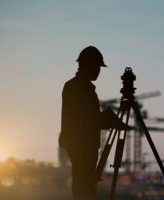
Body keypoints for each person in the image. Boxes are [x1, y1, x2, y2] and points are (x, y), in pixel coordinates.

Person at [59, 46, 130, 200]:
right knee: (84, 187)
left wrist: (106, 118)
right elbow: (85, 121)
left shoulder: (80, 87)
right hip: (81, 146)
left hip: (84, 145)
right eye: (97, 67)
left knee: (86, 184)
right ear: (87, 65)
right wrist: (108, 118)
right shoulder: (78, 88)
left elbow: (87, 119)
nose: (98, 71)